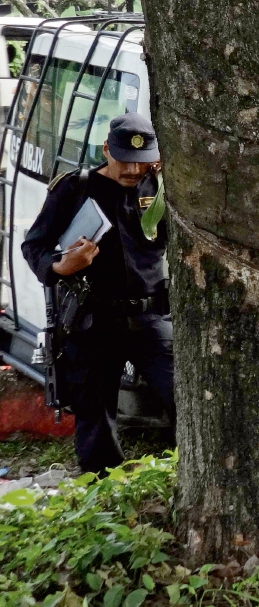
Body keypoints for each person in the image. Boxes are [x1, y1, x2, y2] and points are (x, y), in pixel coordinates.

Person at [21, 114, 173, 474]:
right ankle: (102, 488)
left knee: (182, 396)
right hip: (95, 320)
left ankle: (181, 476)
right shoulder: (74, 189)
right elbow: (34, 245)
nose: (134, 169)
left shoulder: (162, 187)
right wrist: (61, 266)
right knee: (95, 415)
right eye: (124, 159)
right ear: (107, 150)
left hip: (151, 317)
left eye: (142, 160)